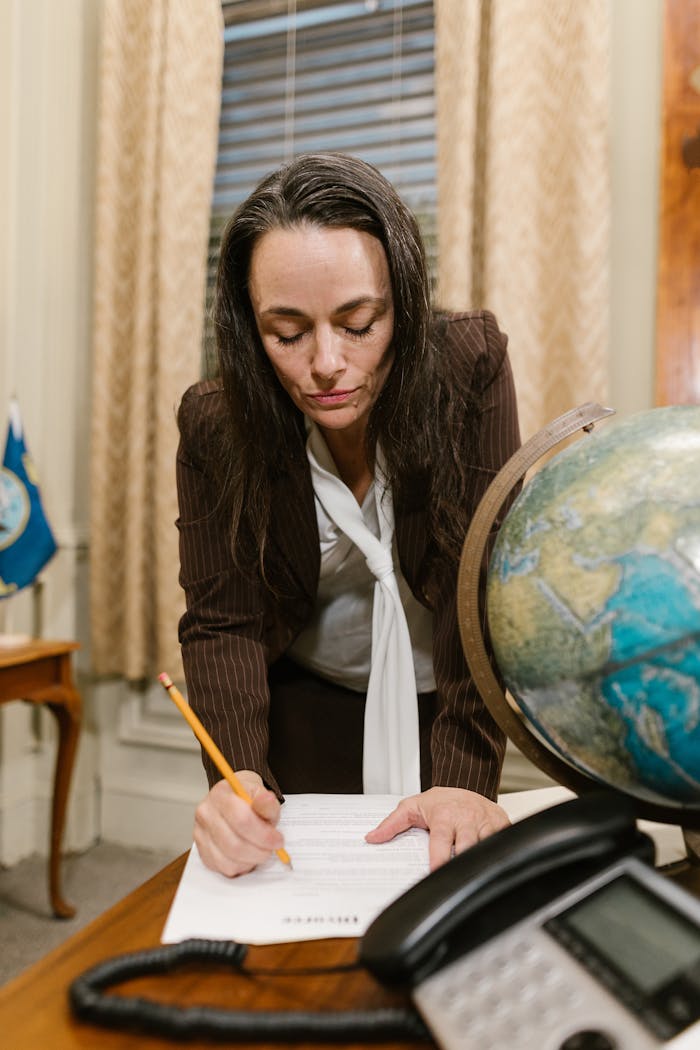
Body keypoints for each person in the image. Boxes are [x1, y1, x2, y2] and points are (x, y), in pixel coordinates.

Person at [176, 152, 521, 879]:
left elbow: (480, 580)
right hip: (305, 695)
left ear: (404, 304)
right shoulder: (216, 422)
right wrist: (235, 779)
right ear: (248, 328)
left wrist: (461, 775)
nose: (326, 363)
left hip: (448, 698)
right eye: (287, 333)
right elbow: (223, 621)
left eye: (359, 322)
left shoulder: (468, 367)